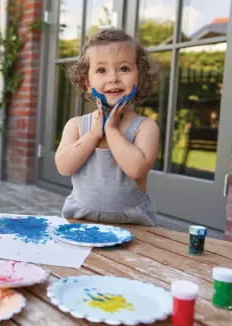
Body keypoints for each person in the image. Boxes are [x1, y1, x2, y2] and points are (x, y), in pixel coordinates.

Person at [55, 29, 160, 226]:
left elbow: (136, 169)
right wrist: (93, 135)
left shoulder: (145, 128)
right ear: (87, 82)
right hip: (79, 221)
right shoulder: (76, 125)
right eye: (101, 70)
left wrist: (111, 131)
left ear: (140, 77)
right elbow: (63, 167)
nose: (113, 78)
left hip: (133, 225)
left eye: (124, 69)